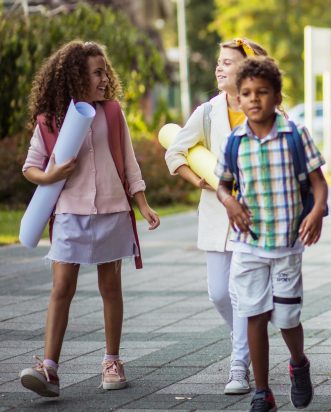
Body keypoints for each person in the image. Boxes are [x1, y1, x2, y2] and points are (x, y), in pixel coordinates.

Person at [18, 40, 160, 397]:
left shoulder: (112, 113)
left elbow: (128, 161)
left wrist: (142, 204)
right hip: (69, 214)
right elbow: (31, 167)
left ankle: (111, 361)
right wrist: (51, 176)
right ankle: (49, 368)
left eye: (105, 72)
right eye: (97, 73)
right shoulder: (50, 120)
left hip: (113, 211)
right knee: (61, 289)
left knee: (110, 288)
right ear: (76, 76)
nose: (105, 79)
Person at [215, 56, 328, 412]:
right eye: (245, 93)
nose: (253, 99)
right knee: (253, 314)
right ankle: (262, 391)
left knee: (286, 317)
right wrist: (229, 204)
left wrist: (315, 214)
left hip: (286, 245)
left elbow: (318, 184)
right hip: (248, 245)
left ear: (276, 97)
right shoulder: (235, 141)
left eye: (262, 92)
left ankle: (298, 363)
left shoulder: (295, 135)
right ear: (237, 98)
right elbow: (222, 185)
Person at [164, 38, 267, 394]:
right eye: (218, 62)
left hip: (255, 218)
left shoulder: (266, 108)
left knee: (240, 293)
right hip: (215, 217)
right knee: (219, 294)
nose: (219, 68)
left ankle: (239, 364)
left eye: (228, 62)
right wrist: (201, 182)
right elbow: (175, 152)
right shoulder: (207, 111)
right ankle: (247, 336)